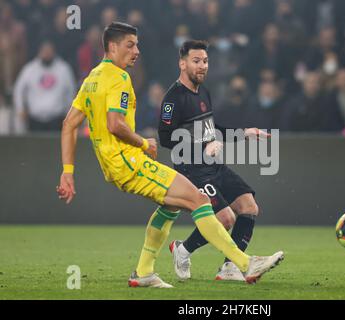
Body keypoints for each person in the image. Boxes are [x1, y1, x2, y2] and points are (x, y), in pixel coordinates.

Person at [56, 22, 284, 288]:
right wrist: (143, 143)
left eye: (137, 44)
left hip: (120, 163)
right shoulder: (120, 78)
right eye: (130, 45)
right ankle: (245, 264)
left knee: (172, 205)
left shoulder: (92, 78)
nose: (137, 51)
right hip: (130, 161)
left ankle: (143, 272)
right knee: (200, 201)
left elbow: (69, 124)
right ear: (113, 46)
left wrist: (68, 171)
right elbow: (115, 124)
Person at [158, 40, 274, 282]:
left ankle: (229, 267)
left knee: (249, 207)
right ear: (182, 63)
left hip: (213, 165)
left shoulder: (204, 92)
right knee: (225, 218)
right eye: (196, 61)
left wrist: (243, 133)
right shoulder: (173, 98)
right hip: (191, 170)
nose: (202, 66)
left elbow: (212, 131)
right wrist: (201, 145)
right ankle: (183, 250)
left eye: (205, 61)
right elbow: (166, 138)